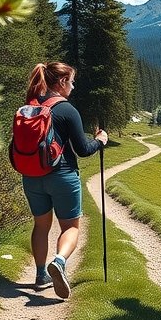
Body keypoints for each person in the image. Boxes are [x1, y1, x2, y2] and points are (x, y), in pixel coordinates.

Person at [21, 62, 108, 299]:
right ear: (61, 83)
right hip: (62, 175)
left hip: (31, 176)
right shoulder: (67, 110)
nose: (73, 85)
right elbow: (82, 149)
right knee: (70, 227)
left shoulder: (29, 108)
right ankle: (59, 262)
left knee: (40, 225)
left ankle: (41, 275)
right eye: (71, 81)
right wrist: (100, 140)